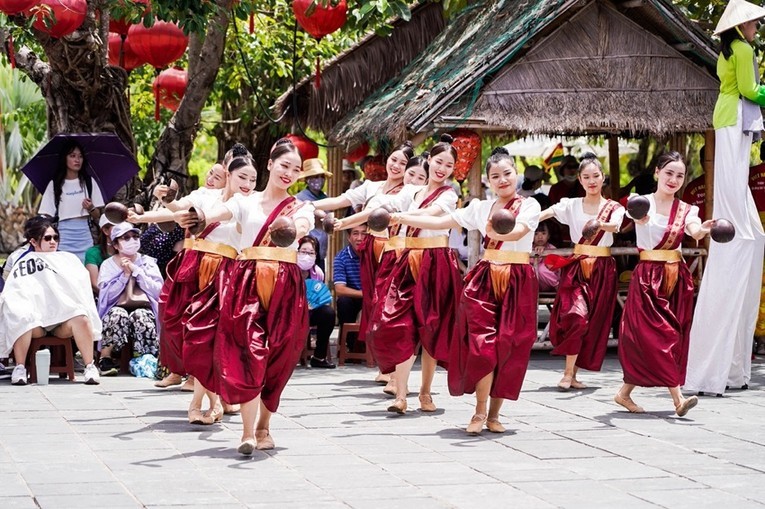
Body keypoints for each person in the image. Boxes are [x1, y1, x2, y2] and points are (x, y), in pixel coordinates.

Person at [394, 147, 541, 435]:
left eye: (507, 174)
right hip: (486, 277)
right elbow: (439, 222)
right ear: (488, 180)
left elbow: (517, 232)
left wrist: (496, 231)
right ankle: (479, 410)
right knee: (483, 345)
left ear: (516, 174)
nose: (502, 180)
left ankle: (495, 415)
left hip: (518, 280)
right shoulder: (480, 207)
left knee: (510, 346)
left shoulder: (528, 206)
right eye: (495, 176)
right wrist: (403, 218)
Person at [196, 138, 314, 455]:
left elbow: (300, 227)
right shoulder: (245, 202)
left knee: (279, 355)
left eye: (295, 169)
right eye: (284, 165)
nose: (288, 172)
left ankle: (264, 426)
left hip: (286, 284)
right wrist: (198, 217)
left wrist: (293, 228)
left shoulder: (302, 208)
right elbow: (217, 213)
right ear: (270, 165)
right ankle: (248, 433)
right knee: (250, 351)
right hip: (247, 280)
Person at [131, 156, 257, 420]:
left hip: (226, 274)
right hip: (196, 266)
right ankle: (208, 399)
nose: (247, 184)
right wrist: (148, 213)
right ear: (229, 175)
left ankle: (208, 401)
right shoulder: (205, 196)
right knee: (191, 330)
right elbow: (178, 210)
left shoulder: (249, 205)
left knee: (214, 338)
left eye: (252, 179)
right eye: (241, 177)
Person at [686, 1, 765, 396]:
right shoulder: (745, 49)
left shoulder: (727, 50)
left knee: (733, 182)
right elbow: (752, 90)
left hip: (725, 114)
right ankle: (736, 215)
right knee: (735, 179)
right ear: (744, 24)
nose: (756, 28)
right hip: (735, 116)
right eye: (754, 22)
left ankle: (737, 213)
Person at [616, 152, 713, 416]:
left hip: (677, 277)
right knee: (662, 335)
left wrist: (702, 229)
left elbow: (693, 229)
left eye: (680, 175)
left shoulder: (687, 210)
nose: (673, 179)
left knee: (673, 335)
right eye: (669, 173)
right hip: (648, 277)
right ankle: (678, 399)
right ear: (657, 173)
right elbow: (637, 219)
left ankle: (624, 394)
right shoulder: (640, 203)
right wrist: (641, 219)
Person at [372, 136, 461, 415]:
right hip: (407, 261)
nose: (442, 168)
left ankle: (425, 392)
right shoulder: (411, 192)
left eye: (448, 165)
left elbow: (432, 217)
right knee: (398, 323)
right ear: (429, 160)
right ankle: (401, 394)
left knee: (431, 328)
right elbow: (379, 208)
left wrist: (402, 217)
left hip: (437, 264)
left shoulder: (449, 195)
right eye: (438, 161)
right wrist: (343, 222)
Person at [539, 157, 625, 390]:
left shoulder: (614, 208)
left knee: (593, 321)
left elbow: (616, 225)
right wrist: (525, 219)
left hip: (603, 268)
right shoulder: (572, 204)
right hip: (577, 267)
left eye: (595, 176)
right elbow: (546, 214)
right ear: (580, 179)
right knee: (576, 315)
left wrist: (599, 224)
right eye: (586, 177)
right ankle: (567, 374)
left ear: (603, 177)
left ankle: (573, 374)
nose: (591, 181)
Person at [0, 215, 100, 385]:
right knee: (21, 316)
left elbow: (80, 290)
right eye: (47, 238)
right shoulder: (23, 262)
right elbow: (14, 292)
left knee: (82, 317)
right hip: (36, 323)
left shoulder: (69, 259)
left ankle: (90, 367)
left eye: (55, 237)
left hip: (63, 320)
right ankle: (20, 368)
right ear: (33, 241)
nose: (53, 241)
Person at [97, 222, 163, 376]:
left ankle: (144, 360)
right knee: (117, 315)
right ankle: (105, 359)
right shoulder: (108, 265)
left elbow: (158, 291)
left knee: (141, 316)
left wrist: (136, 272)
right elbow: (106, 297)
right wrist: (124, 276)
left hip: (144, 306)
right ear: (115, 244)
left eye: (135, 236)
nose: (132, 240)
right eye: (125, 238)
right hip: (116, 306)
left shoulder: (147, 261)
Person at [38, 141, 104, 262]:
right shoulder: (54, 184)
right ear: (65, 159)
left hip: (85, 235)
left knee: (85, 272)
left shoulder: (89, 182)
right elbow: (47, 215)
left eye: (80, 156)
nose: (77, 160)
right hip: (63, 236)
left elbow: (97, 215)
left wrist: (91, 208)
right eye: (72, 156)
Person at [297, 236, 336, 369]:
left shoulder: (317, 273)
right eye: (303, 251)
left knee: (328, 313)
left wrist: (314, 304)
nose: (307, 255)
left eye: (311, 252)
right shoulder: (289, 269)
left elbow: (318, 293)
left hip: (310, 312)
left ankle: (319, 357)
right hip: (291, 311)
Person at [333, 225, 366, 345]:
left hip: (372, 298)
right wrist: (365, 294)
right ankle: (350, 345)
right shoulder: (341, 257)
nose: (360, 238)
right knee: (343, 302)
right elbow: (340, 289)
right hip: (354, 297)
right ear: (349, 237)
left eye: (364, 234)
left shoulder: (375, 255)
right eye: (355, 233)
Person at [296, 159, 332, 268]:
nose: (320, 180)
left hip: (320, 253)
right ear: (307, 180)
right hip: (304, 253)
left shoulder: (326, 199)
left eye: (322, 177)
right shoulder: (299, 199)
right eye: (316, 177)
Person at [84, 215, 116, 295]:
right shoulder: (93, 253)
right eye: (117, 227)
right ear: (105, 230)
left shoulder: (129, 251)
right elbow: (95, 285)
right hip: (105, 297)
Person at [531, 222, 559, 292]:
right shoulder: (528, 248)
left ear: (548, 236)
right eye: (536, 234)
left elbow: (555, 268)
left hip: (549, 284)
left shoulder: (552, 249)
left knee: (541, 270)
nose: (540, 237)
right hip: (533, 285)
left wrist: (544, 254)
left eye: (543, 233)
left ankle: (558, 286)